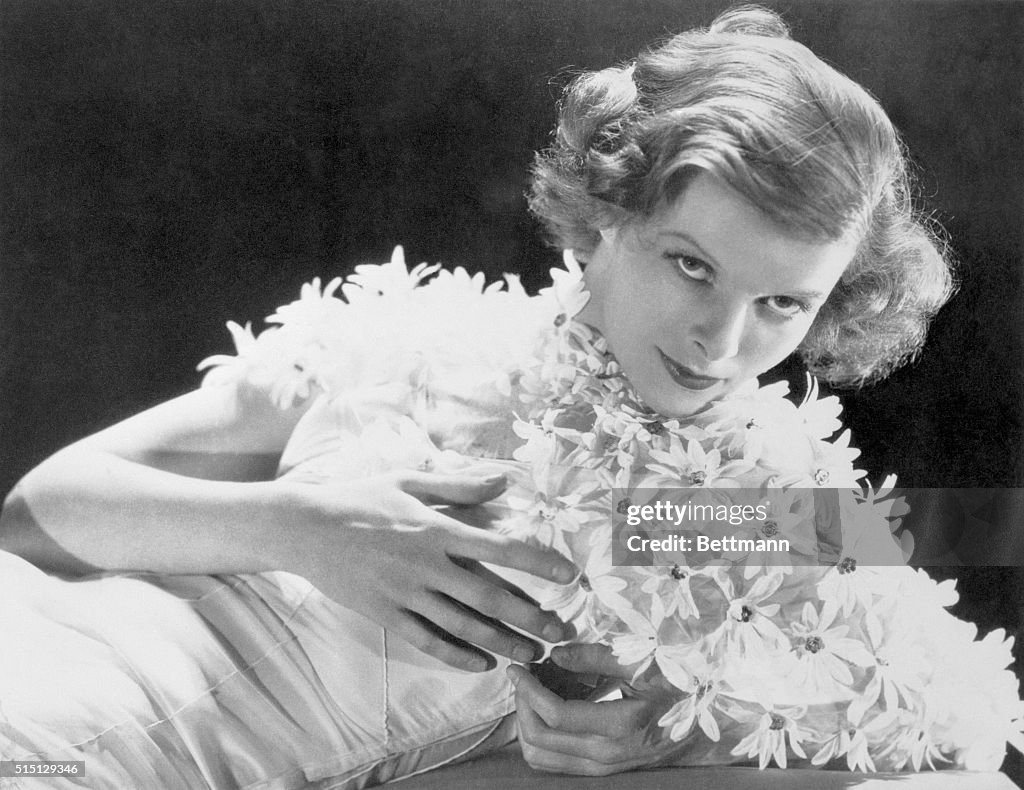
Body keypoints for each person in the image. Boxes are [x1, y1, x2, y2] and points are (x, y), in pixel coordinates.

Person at [2, 5, 1006, 788]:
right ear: (609, 205)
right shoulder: (409, 335)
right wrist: (295, 526)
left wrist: (674, 730)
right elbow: (38, 511)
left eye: (783, 302)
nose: (725, 341)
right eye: (691, 266)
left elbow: (957, 685)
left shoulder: (727, 506)